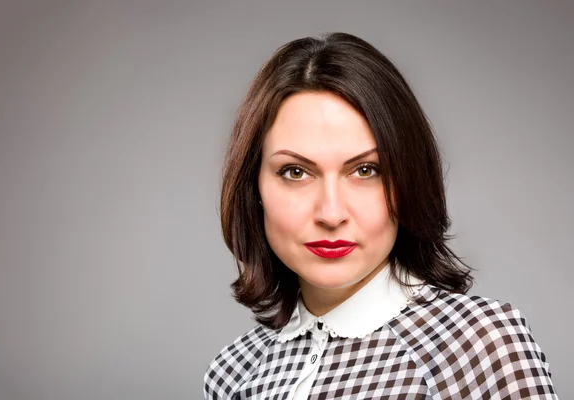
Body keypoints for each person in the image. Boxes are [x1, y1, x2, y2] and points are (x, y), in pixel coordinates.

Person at [203, 32, 558, 399]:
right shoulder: (236, 370)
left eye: (366, 171)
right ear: (253, 188)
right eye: (296, 172)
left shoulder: (480, 345)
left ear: (407, 183)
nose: (331, 213)